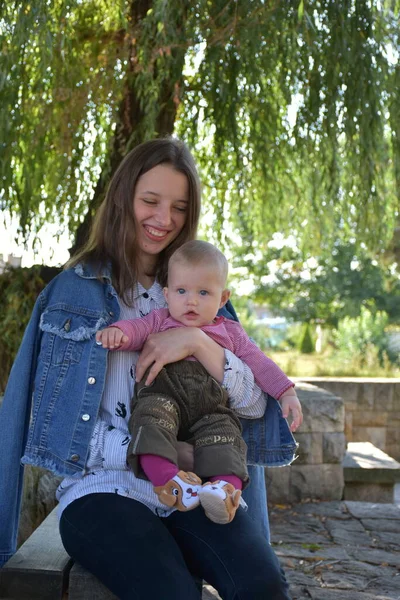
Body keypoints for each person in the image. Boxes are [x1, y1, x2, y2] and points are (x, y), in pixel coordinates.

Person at [0, 137, 301, 599]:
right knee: (171, 591)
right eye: (151, 201)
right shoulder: (70, 295)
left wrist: (199, 343)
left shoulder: (198, 294)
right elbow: (53, 430)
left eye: (179, 207)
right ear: (124, 198)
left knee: (262, 584)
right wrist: (158, 453)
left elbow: (253, 405)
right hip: (101, 492)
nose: (164, 220)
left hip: (194, 490)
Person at [96, 239, 301, 525]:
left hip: (210, 406)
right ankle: (168, 480)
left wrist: (285, 391)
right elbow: (136, 329)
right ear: (166, 294)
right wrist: (119, 333)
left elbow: (260, 363)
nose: (191, 300)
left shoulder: (230, 332)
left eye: (203, 292)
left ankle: (224, 490)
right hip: (163, 394)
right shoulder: (160, 320)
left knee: (227, 436)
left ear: (223, 298)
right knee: (151, 421)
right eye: (181, 291)